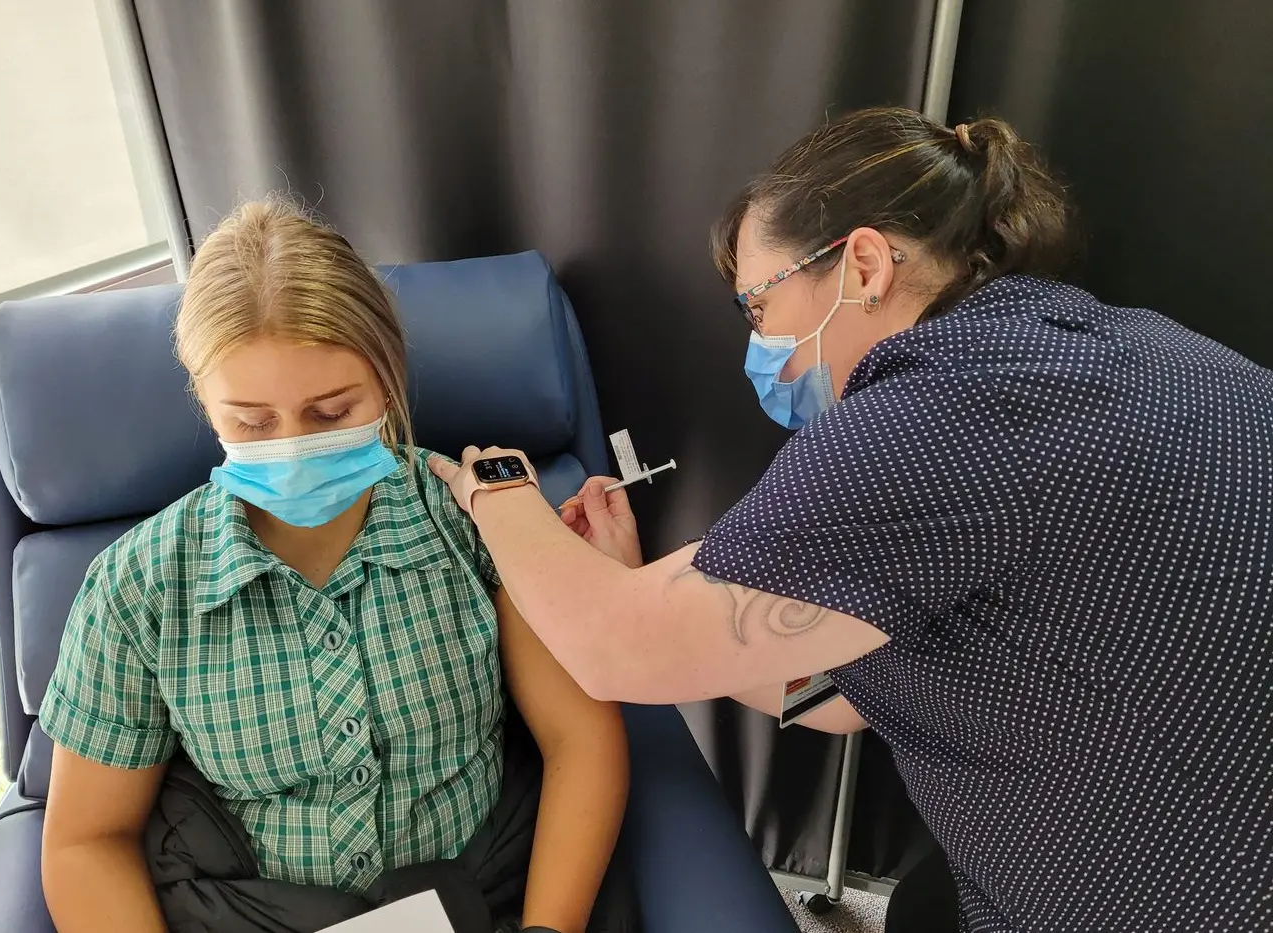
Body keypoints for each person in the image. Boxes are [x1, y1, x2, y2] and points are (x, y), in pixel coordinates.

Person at [428, 108, 1273, 932]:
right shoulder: (1144, 345)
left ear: (864, 264)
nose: (757, 349)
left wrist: (494, 490)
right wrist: (658, 604)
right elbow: (839, 695)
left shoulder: (929, 419)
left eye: (757, 307)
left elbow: (609, 650)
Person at [38, 199, 633, 933]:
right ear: (204, 400)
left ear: (386, 382)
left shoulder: (476, 520)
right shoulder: (139, 588)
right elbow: (85, 839)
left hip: (484, 896)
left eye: (330, 412)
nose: (290, 446)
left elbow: (581, 738)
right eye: (250, 422)